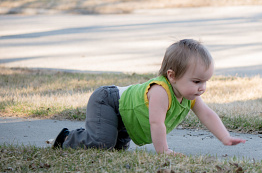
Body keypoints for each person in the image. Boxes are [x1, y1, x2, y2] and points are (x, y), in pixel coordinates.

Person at [52, 39, 246, 155]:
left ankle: (102, 134)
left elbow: (207, 115)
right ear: (172, 76)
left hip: (126, 118)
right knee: (101, 143)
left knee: (116, 148)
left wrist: (225, 137)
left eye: (205, 82)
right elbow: (156, 124)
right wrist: (164, 152)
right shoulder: (161, 91)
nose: (202, 88)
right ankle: (68, 138)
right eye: (196, 81)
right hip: (107, 102)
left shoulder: (190, 95)